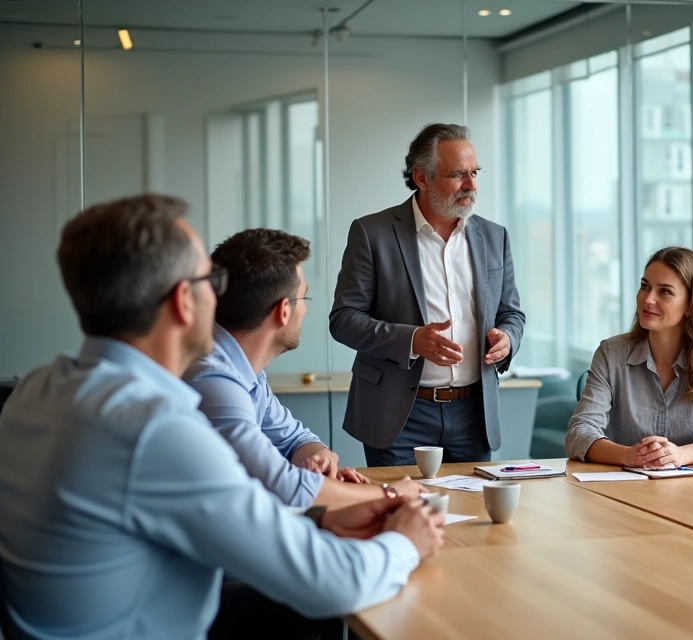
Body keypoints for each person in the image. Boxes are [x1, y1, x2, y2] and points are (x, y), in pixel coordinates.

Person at [0, 195, 445, 639]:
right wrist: (404, 542)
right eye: (210, 281)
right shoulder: (155, 428)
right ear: (184, 301)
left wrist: (321, 520)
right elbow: (331, 584)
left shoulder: (36, 389)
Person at [330, 123, 525, 467]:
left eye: (474, 173)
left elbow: (513, 314)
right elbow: (344, 320)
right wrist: (412, 340)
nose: (472, 185)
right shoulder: (372, 233)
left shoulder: (495, 237)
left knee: (473, 515)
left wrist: (507, 338)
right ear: (421, 177)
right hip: (399, 414)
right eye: (458, 175)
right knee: (403, 517)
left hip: (473, 414)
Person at [186, 228, 423, 509]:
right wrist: (390, 494)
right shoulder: (214, 381)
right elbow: (286, 486)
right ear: (283, 311)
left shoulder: (246, 373)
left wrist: (319, 463)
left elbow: (297, 439)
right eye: (303, 299)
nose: (306, 311)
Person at [566, 247, 693, 468]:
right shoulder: (611, 354)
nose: (648, 299)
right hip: (622, 490)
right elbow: (579, 432)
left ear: (691, 305)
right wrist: (629, 455)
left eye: (664, 291)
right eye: (645, 286)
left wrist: (681, 455)